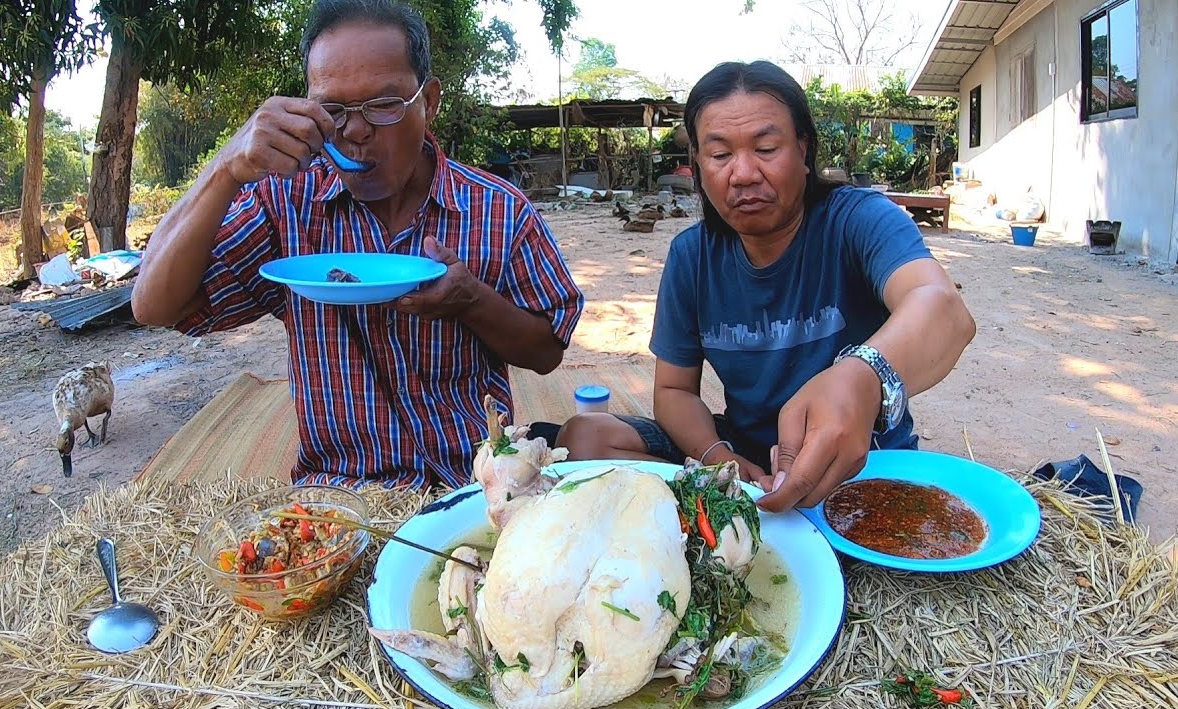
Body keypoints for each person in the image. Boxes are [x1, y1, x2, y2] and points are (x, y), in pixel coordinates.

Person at [131, 0, 584, 490]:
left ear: (428, 102)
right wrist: (226, 169)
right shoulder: (286, 205)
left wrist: (471, 301)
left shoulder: (497, 210)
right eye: (332, 111)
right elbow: (153, 306)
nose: (355, 131)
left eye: (384, 105)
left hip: (471, 488)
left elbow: (547, 353)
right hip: (337, 496)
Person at [554, 60, 975, 513]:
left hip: (861, 464)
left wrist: (863, 374)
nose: (744, 173)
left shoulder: (859, 220)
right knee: (585, 437)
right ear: (696, 165)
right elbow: (674, 392)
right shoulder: (691, 257)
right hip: (746, 457)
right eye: (719, 155)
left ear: (804, 149)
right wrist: (720, 460)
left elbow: (943, 309)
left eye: (767, 147)